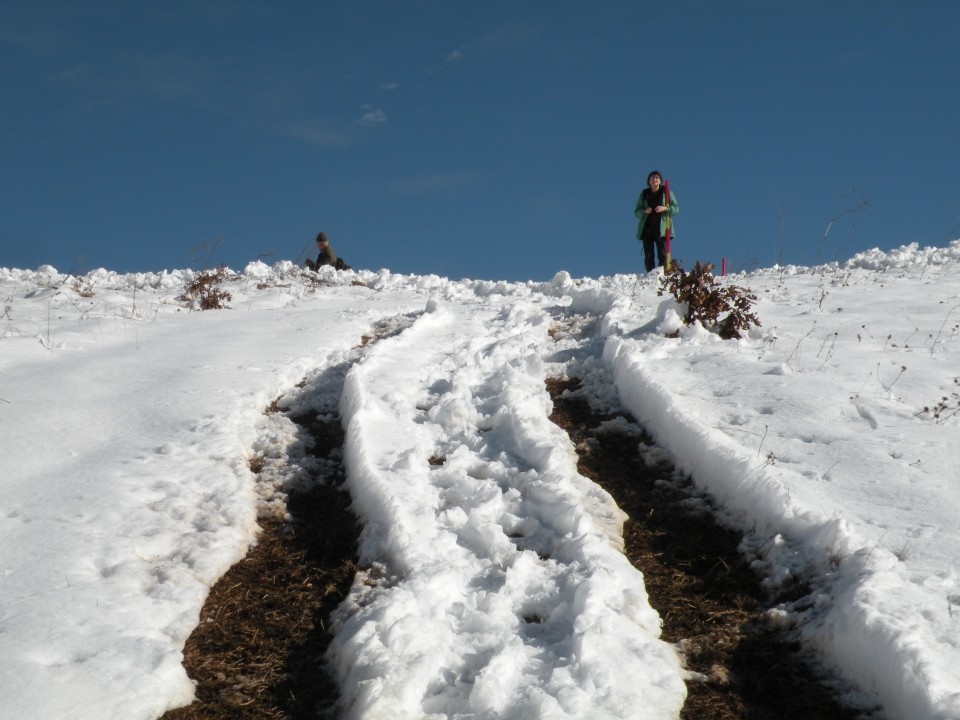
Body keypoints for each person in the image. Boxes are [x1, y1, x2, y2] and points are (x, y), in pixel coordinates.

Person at [634, 170, 678, 272]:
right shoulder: (644, 194)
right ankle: (650, 274)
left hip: (662, 228)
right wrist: (645, 211)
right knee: (648, 254)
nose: (654, 179)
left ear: (660, 181)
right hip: (647, 229)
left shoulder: (666, 193)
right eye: (652, 178)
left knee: (662, 253)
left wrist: (665, 208)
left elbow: (675, 208)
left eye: (657, 178)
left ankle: (662, 273)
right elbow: (637, 211)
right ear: (649, 181)